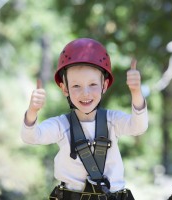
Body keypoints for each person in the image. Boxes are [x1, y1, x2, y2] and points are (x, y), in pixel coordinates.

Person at [21, 38, 148, 200]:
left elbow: (138, 127)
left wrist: (136, 92)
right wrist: (32, 111)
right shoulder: (61, 125)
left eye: (93, 85)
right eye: (76, 86)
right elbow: (31, 136)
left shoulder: (112, 121)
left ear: (104, 85)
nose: (85, 93)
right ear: (64, 88)